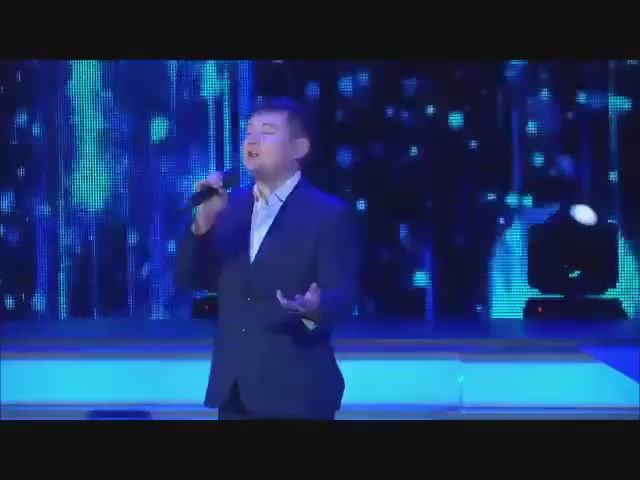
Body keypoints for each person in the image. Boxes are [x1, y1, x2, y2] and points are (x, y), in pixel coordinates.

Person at [175, 97, 359, 420]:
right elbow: (191, 279)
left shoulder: (328, 215)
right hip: (234, 393)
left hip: (298, 395)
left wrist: (313, 308)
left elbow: (342, 295)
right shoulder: (228, 208)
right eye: (249, 132)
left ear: (299, 148)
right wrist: (202, 224)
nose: (252, 140)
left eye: (268, 132)